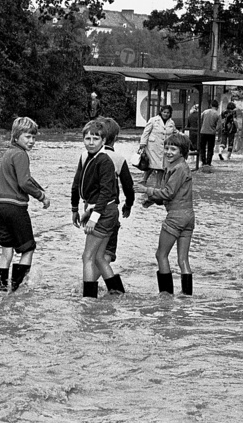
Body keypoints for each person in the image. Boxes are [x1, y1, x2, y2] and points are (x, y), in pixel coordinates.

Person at [134, 132, 195, 296]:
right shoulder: (181, 167)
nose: (168, 152)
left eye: (173, 149)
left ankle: (166, 296)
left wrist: (146, 190)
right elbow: (173, 194)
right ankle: (187, 296)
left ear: (182, 152)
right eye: (166, 148)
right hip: (188, 217)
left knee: (161, 255)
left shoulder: (178, 169)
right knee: (183, 260)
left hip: (176, 217)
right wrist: (152, 199)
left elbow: (168, 193)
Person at [0, 116, 50, 292]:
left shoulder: (9, 153)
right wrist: (41, 196)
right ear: (16, 136)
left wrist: (40, 187)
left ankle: (0, 289)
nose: (32, 141)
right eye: (28, 137)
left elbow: (26, 177)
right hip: (15, 207)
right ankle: (16, 289)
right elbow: (24, 182)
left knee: (7, 253)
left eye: (34, 137)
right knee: (28, 248)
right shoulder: (21, 154)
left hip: (0, 206)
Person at [71, 120, 124, 298]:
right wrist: (76, 208)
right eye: (87, 138)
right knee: (100, 258)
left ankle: (89, 298)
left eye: (95, 138)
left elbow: (106, 193)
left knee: (87, 257)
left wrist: (94, 217)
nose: (91, 142)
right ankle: (118, 293)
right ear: (83, 140)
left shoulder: (105, 161)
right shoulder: (89, 158)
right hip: (105, 212)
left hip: (104, 213)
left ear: (104, 141)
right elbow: (77, 184)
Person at [101, 117, 135, 268]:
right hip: (109, 209)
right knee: (108, 251)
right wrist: (128, 205)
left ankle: (89, 284)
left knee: (93, 248)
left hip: (90, 208)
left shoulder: (87, 156)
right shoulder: (118, 159)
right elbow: (129, 188)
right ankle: (109, 286)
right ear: (116, 137)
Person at [138, 104, 176, 188]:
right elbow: (146, 132)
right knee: (151, 164)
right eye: (164, 112)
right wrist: (142, 143)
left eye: (168, 113)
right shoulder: (153, 120)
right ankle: (144, 180)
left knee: (162, 166)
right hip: (153, 147)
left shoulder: (171, 122)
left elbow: (174, 132)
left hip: (164, 147)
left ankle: (158, 184)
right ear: (161, 112)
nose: (166, 114)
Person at [199, 100, 220, 168]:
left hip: (203, 131)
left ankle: (203, 161)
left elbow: (200, 120)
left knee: (202, 147)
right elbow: (219, 125)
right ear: (217, 106)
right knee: (210, 148)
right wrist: (215, 130)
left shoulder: (205, 112)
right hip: (211, 133)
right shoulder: (217, 114)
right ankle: (208, 162)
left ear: (211, 105)